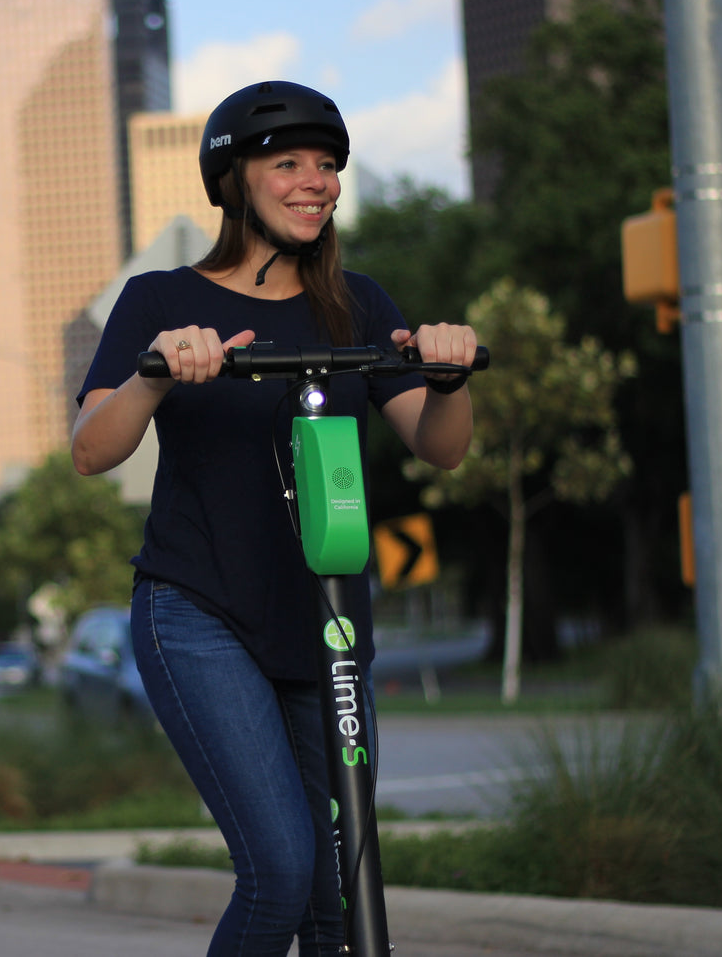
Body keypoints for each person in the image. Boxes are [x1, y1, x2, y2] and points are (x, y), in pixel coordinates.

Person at [72, 80, 478, 956]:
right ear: (234, 180)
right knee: (285, 870)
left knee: (343, 896)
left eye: (327, 164)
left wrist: (449, 378)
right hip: (199, 610)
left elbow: (440, 446)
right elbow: (91, 448)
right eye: (287, 162)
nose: (315, 180)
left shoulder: (358, 306)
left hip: (326, 623)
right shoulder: (159, 298)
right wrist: (155, 373)